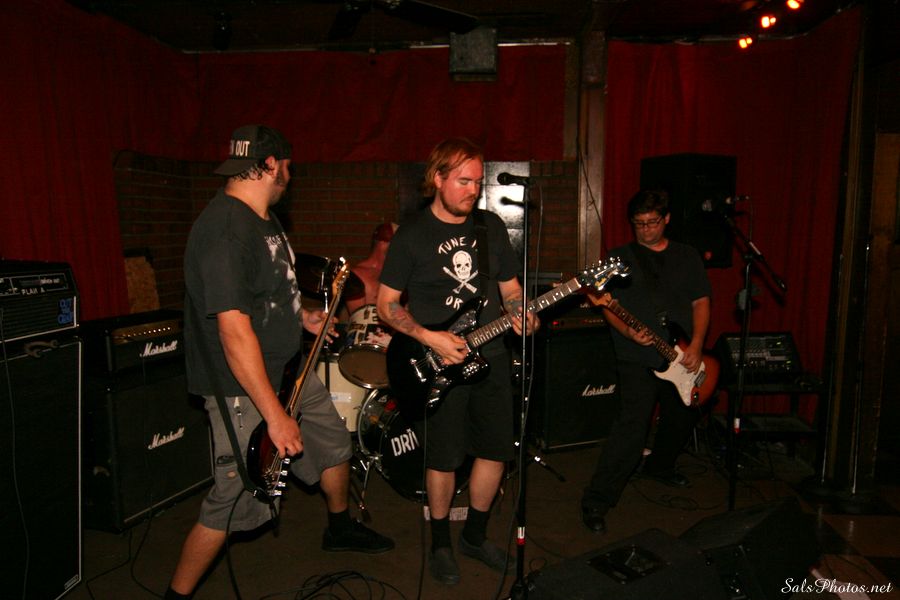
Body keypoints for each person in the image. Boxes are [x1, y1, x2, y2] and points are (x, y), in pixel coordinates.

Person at [166, 125, 393, 600]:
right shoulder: (227, 231)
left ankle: (339, 527)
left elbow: (261, 297)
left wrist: (301, 317)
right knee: (233, 497)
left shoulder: (262, 218)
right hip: (244, 388)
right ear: (271, 165)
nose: (290, 175)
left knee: (333, 442)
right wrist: (274, 415)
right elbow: (233, 333)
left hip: (288, 368)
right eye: (288, 166)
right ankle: (177, 595)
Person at [376, 137, 538, 586]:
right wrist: (429, 337)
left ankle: (476, 535)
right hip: (438, 363)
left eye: (478, 181)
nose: (473, 190)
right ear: (437, 178)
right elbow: (386, 304)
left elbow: (509, 288)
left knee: (495, 451)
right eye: (463, 181)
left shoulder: (490, 228)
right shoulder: (412, 235)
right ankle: (441, 544)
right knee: (444, 457)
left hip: (492, 356)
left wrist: (520, 312)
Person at [580, 189, 711, 535]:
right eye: (639, 224)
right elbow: (605, 303)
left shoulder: (687, 256)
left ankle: (659, 466)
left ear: (666, 219)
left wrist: (697, 344)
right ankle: (597, 500)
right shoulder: (620, 258)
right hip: (636, 356)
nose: (646, 229)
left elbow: (701, 301)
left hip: (680, 353)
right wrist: (627, 331)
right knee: (632, 428)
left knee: (683, 415)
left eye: (652, 222)